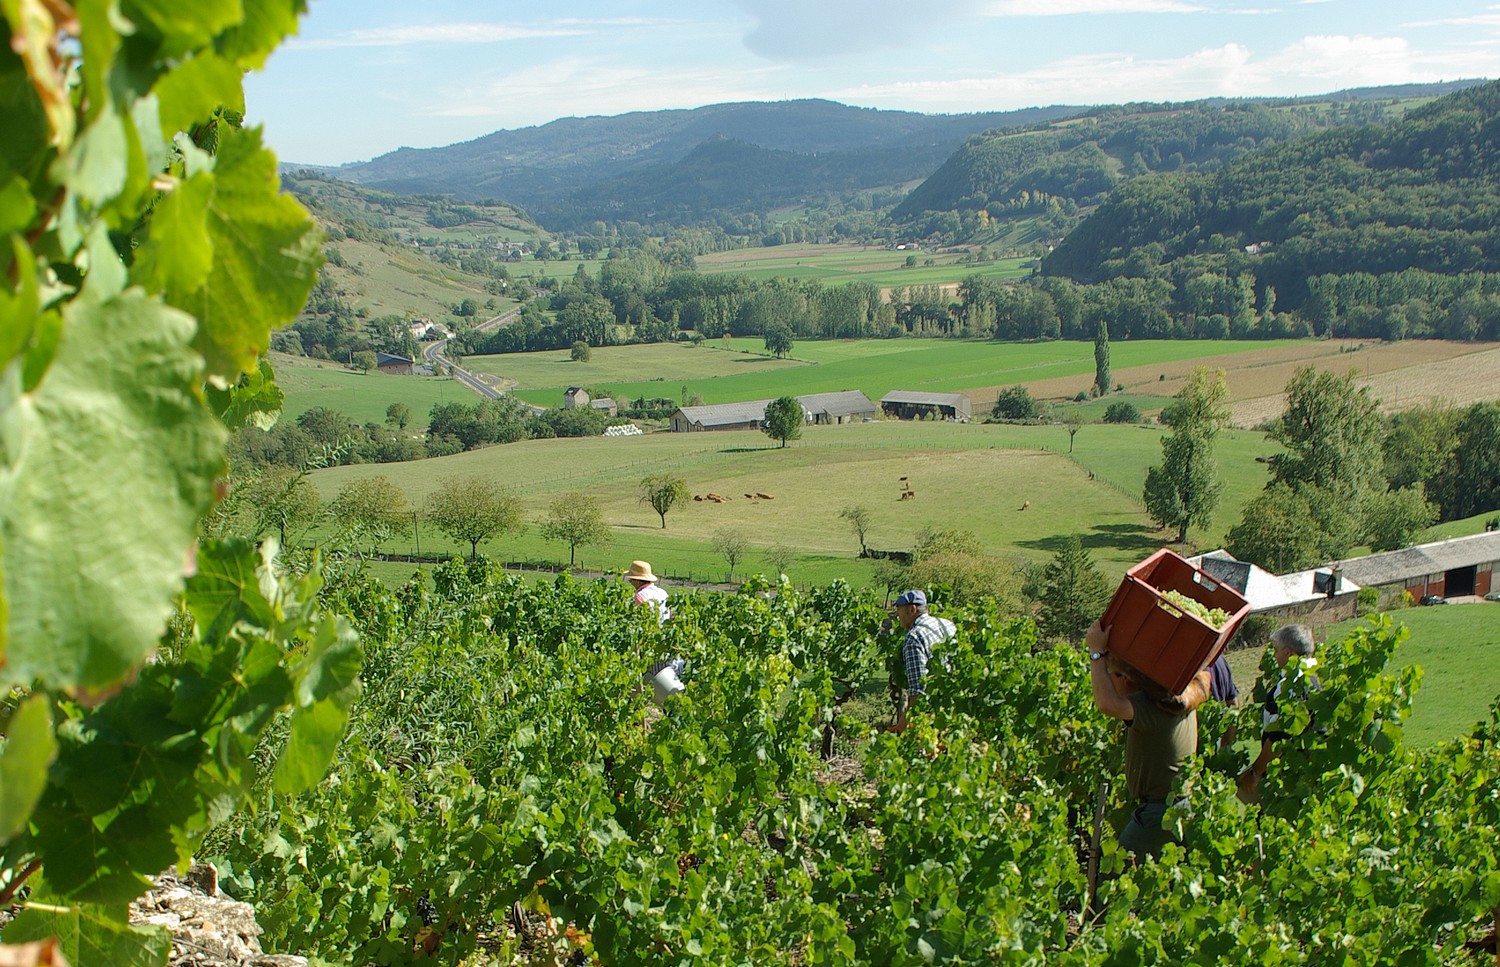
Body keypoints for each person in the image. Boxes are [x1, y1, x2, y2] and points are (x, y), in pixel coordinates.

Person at [1086, 619, 1211, 859]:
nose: (1110, 681)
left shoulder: (1151, 706)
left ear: (1125, 678)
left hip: (1160, 811)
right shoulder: (1175, 697)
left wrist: (1096, 654)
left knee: (1115, 868)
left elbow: (1107, 704)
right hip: (1176, 805)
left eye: (1111, 674)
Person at [1237, 624, 1318, 802]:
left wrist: (1255, 772)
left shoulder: (1290, 686)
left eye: (1277, 650)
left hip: (1287, 777)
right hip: (1311, 773)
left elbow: (1279, 740)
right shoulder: (1316, 678)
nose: (1274, 655)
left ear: (1288, 653)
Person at [890, 589, 955, 731]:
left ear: (911, 610)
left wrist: (904, 722)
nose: (897, 616)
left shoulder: (914, 637)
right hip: (956, 709)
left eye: (899, 610)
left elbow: (919, 689)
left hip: (934, 715)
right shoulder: (947, 625)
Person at [626, 560, 683, 704]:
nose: (630, 581)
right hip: (666, 643)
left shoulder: (640, 597)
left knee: (654, 682)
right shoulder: (662, 593)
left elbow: (639, 624)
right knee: (667, 679)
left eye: (632, 578)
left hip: (651, 645)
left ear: (637, 580)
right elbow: (670, 616)